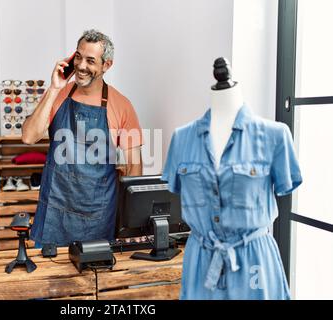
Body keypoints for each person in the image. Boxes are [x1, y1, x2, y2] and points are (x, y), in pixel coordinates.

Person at [162, 58, 302, 299]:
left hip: (253, 260)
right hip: (201, 260)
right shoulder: (182, 138)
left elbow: (284, 187)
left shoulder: (275, 136)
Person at [22, 29, 143, 247]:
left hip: (97, 214)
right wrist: (53, 88)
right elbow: (29, 137)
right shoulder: (59, 95)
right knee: (48, 279)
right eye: (78, 56)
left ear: (106, 65)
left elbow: (135, 166)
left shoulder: (122, 106)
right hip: (54, 209)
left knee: (95, 278)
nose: (81, 66)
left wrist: (129, 221)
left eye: (90, 60)